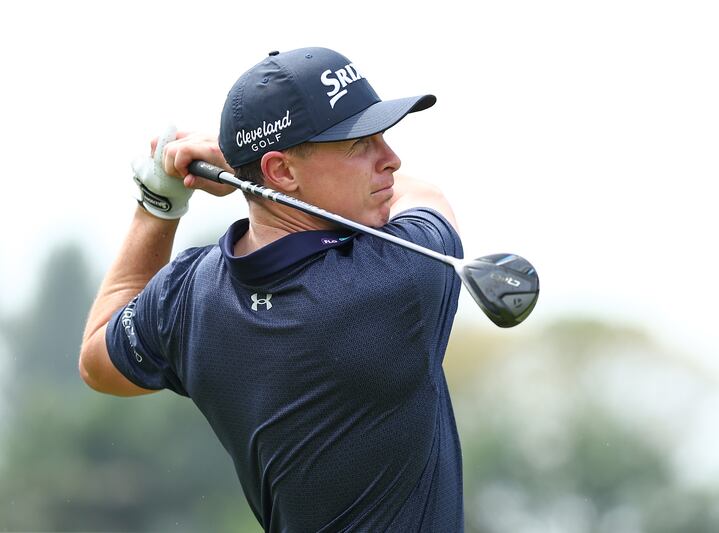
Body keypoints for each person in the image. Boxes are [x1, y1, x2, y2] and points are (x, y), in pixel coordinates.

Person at [79, 47, 463, 532]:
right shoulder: (398, 278)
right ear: (282, 172)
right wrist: (239, 165)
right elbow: (427, 197)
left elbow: (97, 360)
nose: (391, 159)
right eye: (358, 143)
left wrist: (160, 202)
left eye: (382, 137)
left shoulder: (188, 296)